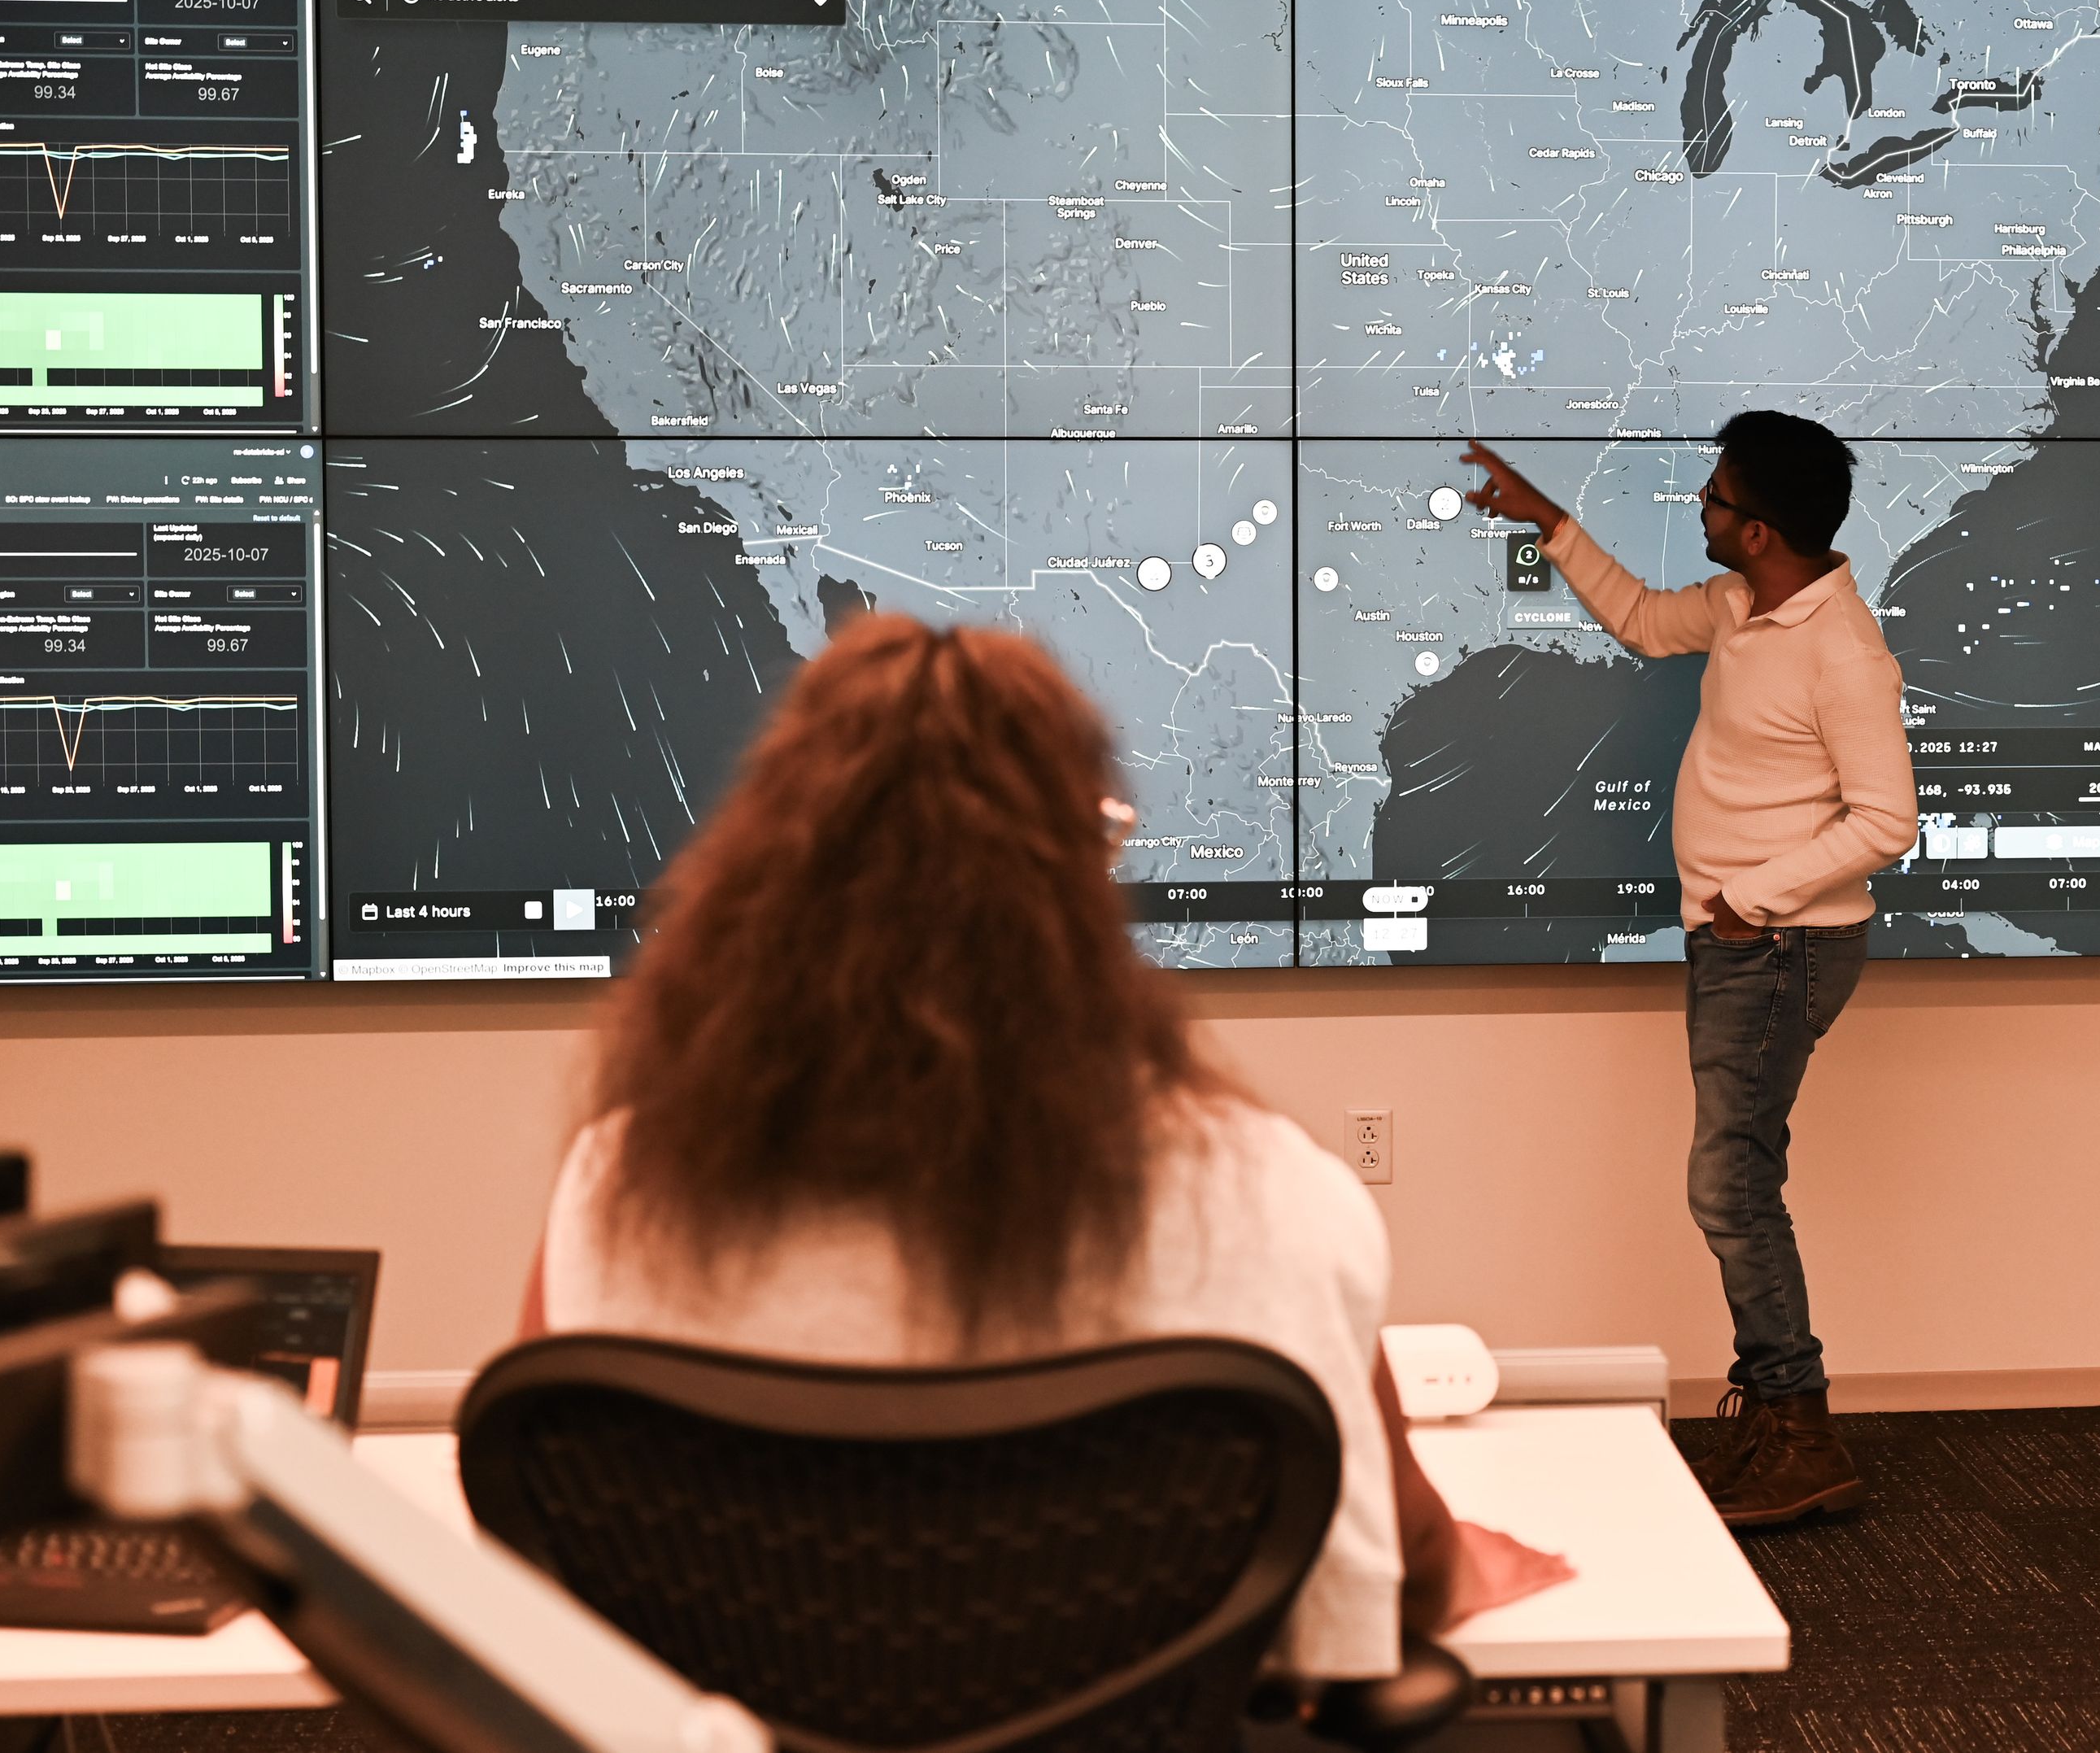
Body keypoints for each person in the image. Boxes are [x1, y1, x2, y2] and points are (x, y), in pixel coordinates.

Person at [515, 613, 1562, 1683]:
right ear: (1078, 876)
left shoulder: (615, 1190)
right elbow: (1395, 1585)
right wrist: (1458, 1566)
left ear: (764, 867)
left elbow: (538, 1584)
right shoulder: (1271, 1195)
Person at [1462, 414, 1915, 1528]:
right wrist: (1552, 525)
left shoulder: (1843, 650)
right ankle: (1779, 1417)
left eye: (1713, 502)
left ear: (1758, 532)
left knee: (1729, 1184)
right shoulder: (1738, 608)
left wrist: (1748, 901)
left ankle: (1799, 1429)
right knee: (1740, 1173)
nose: (1700, 514)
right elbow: (1639, 621)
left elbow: (1887, 821)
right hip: (1744, 945)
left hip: (1779, 945)